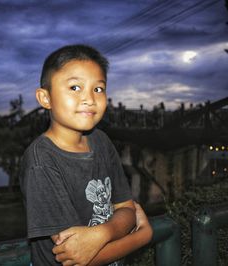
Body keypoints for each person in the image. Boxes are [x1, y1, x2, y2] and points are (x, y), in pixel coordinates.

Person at [19, 44, 153, 265]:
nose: (89, 99)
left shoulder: (101, 141)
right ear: (45, 98)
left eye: (98, 89)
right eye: (74, 88)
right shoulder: (41, 161)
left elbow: (127, 208)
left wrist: (102, 233)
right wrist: (143, 236)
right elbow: (77, 256)